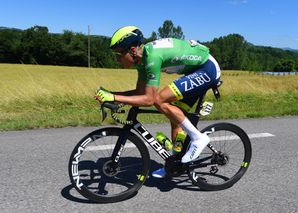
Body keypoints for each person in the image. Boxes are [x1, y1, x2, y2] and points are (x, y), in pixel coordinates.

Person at [95, 26, 221, 178]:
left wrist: (114, 98)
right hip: (194, 71)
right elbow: (140, 93)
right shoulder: (142, 62)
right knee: (175, 119)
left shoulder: (152, 57)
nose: (117, 58)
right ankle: (175, 165)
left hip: (207, 68)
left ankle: (198, 138)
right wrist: (112, 94)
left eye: (119, 53)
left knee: (160, 100)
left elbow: (149, 99)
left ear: (133, 50)